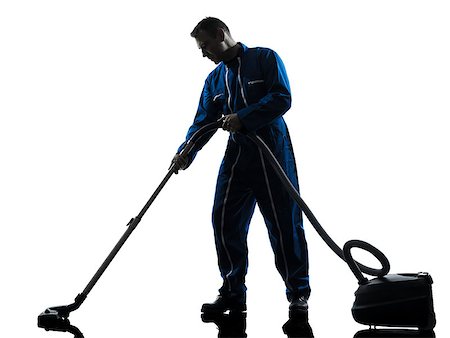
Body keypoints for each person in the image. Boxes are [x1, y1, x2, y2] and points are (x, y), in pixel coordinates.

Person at [172, 17, 310, 317]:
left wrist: (243, 117)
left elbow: (282, 97)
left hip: (272, 153)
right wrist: (185, 152)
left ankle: (298, 295)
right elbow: (203, 123)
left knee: (285, 225)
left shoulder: (264, 59)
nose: (203, 53)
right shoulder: (214, 80)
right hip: (238, 158)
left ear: (221, 34)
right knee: (224, 221)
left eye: (205, 45)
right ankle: (233, 293)